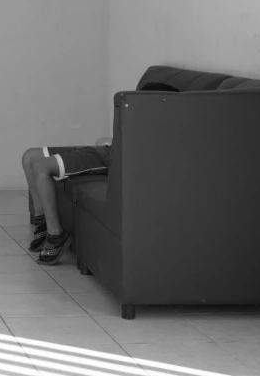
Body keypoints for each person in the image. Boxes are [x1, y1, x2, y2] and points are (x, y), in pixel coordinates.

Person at [21, 81, 179, 265]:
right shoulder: (144, 119)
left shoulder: (164, 124)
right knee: (29, 156)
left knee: (41, 167)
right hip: (109, 150)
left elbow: (140, 153)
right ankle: (41, 221)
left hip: (112, 157)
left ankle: (56, 234)